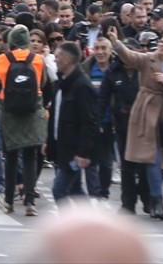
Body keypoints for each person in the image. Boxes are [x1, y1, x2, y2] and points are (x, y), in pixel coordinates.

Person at [107, 24, 163, 220]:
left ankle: (153, 199)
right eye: (161, 42)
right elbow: (130, 57)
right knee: (152, 160)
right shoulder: (148, 59)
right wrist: (116, 42)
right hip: (145, 113)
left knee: (159, 163)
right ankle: (156, 200)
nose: (161, 45)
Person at [0, 24, 46, 216]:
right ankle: (30, 200)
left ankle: (8, 201)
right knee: (31, 155)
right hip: (32, 109)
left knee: (11, 156)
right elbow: (44, 82)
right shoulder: (38, 60)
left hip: (9, 110)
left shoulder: (2, 59)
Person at [46, 41, 99, 204]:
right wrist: (48, 141)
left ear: (67, 60)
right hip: (61, 147)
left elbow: (89, 122)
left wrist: (83, 153)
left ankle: (72, 228)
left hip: (73, 151)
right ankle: (91, 225)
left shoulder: (82, 86)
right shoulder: (62, 82)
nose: (55, 61)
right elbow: (56, 115)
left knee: (59, 190)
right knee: (76, 190)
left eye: (57, 57)